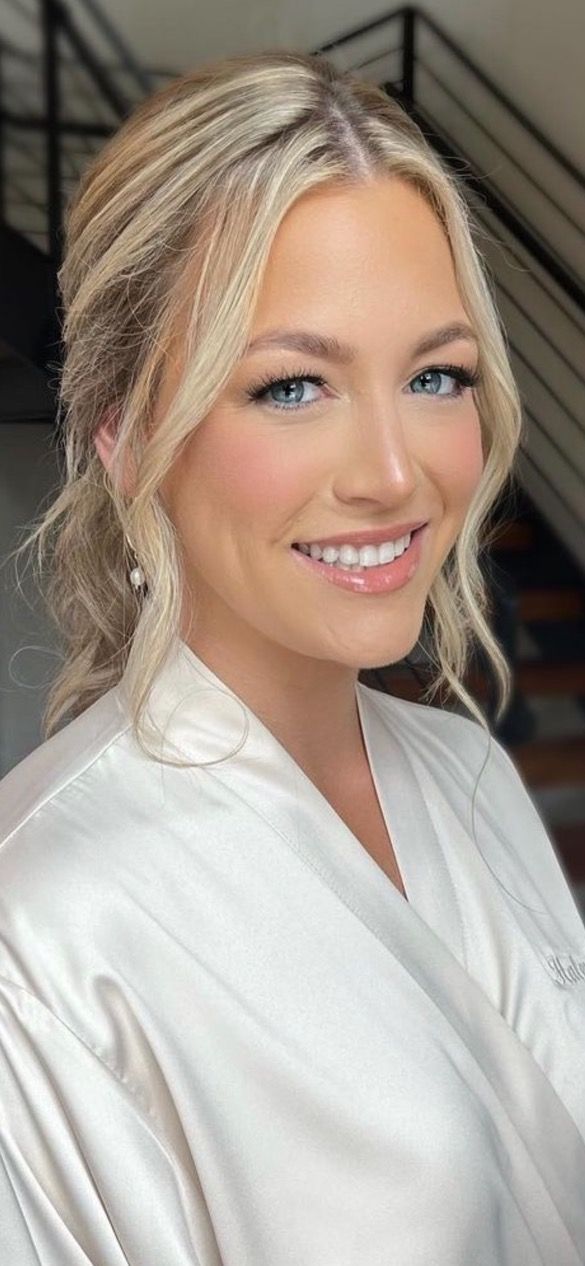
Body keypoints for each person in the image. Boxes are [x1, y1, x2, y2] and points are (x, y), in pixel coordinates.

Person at [0, 48, 584, 1266]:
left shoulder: (466, 771)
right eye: (292, 387)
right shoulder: (45, 932)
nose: (391, 472)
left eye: (436, 376)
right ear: (123, 434)